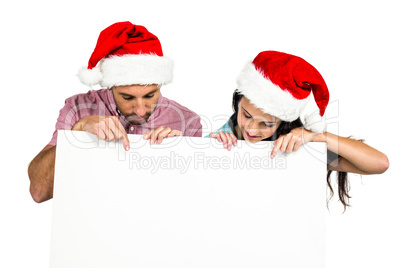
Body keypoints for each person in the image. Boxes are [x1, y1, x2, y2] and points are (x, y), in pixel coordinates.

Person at [28, 21, 202, 203]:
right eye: (127, 98)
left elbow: (192, 201)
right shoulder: (77, 108)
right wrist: (77, 133)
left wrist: (179, 154)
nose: (140, 110)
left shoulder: (187, 121)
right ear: (111, 86)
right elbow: (39, 192)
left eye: (150, 95)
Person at [209, 51, 389, 210]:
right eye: (246, 115)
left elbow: (380, 163)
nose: (251, 129)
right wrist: (209, 146)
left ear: (283, 122)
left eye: (267, 124)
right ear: (237, 103)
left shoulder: (299, 149)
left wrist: (316, 137)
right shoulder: (220, 137)